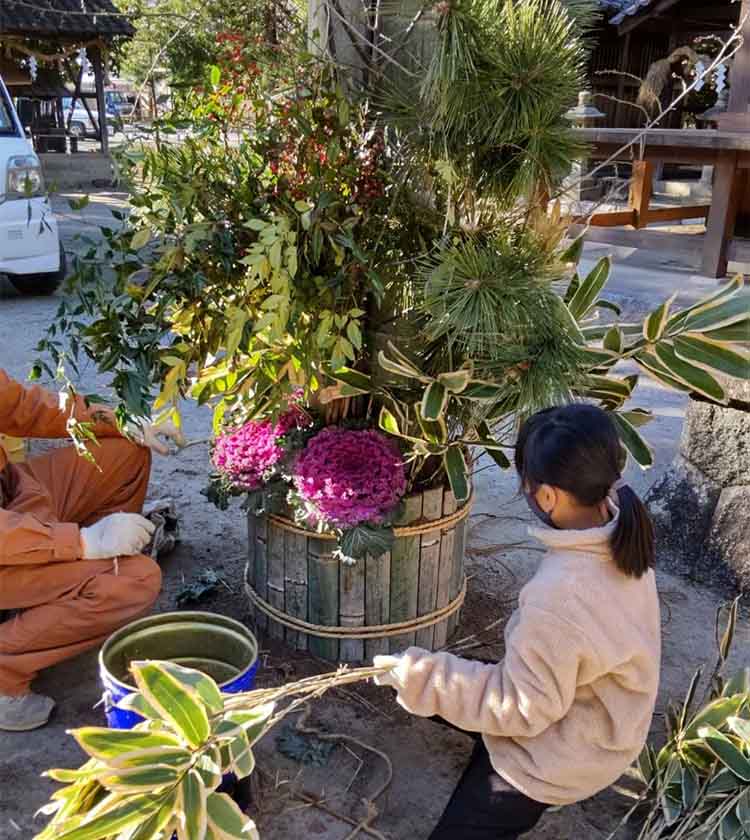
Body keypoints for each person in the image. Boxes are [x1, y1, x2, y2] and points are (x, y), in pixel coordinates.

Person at [373, 404, 661, 839]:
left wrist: (421, 678)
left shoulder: (560, 596)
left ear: (548, 496)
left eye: (526, 483)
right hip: (608, 721)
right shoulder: (620, 525)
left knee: (435, 680)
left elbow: (521, 709)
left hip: (561, 755)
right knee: (445, 673)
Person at [0, 369, 182, 731]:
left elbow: (25, 406)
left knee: (125, 452)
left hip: (14, 498)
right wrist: (83, 543)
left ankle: (53, 601)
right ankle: (6, 668)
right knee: (133, 580)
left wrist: (121, 421)